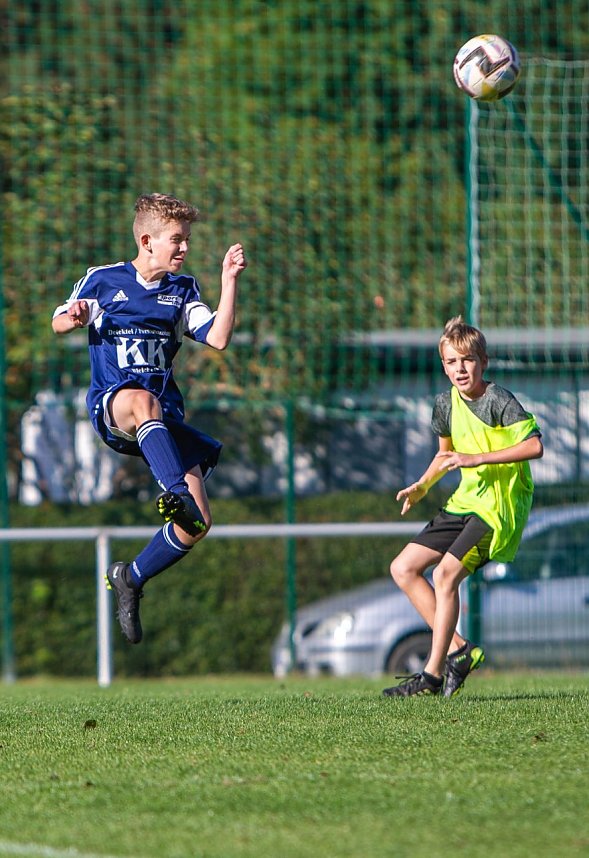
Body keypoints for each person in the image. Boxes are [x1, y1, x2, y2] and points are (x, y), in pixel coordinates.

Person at [52, 192, 247, 644]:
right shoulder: (104, 281)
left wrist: (229, 279)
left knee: (196, 522)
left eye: (187, 240)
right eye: (176, 239)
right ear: (147, 240)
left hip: (163, 418)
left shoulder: (182, 291)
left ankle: (131, 577)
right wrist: (75, 316)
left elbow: (217, 338)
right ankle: (173, 490)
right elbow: (59, 320)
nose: (183, 248)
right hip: (115, 406)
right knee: (142, 401)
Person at [383, 316, 543, 698]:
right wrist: (422, 486)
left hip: (496, 510)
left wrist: (479, 460)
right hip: (463, 503)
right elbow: (445, 456)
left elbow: (535, 445)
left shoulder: (498, 399)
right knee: (403, 568)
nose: (460, 369)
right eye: (452, 362)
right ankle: (459, 650)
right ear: (443, 365)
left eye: (468, 360)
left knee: (445, 576)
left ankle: (432, 676)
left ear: (482, 362)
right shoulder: (445, 404)